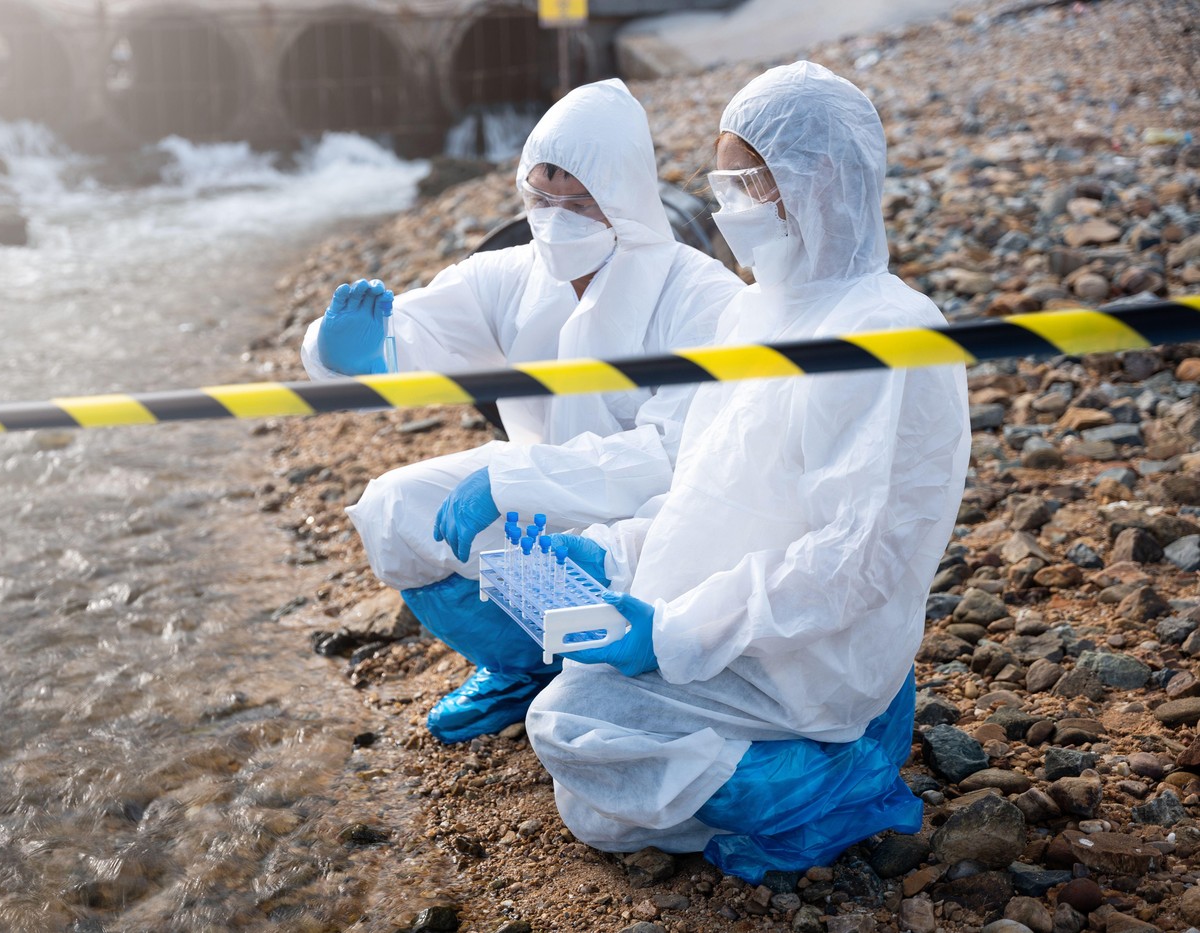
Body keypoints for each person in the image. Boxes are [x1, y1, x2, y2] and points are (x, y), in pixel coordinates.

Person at [525, 61, 972, 881]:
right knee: (591, 795)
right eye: (722, 183)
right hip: (724, 610)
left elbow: (858, 561)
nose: (728, 209)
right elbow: (704, 483)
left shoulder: (887, 333)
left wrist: (672, 631)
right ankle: (778, 764)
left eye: (745, 184)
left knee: (571, 726)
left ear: (821, 179)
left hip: (811, 644)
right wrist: (613, 553)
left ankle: (839, 773)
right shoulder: (750, 310)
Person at [300, 79, 744, 744]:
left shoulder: (698, 293)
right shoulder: (514, 274)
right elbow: (414, 332)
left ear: (623, 198)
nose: (557, 216)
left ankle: (612, 661)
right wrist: (346, 349)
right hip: (541, 493)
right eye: (543, 195)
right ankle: (518, 667)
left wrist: (516, 481)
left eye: (581, 200)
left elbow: (679, 454)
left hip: (656, 521)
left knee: (610, 711)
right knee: (398, 508)